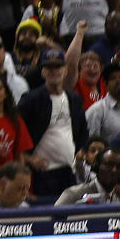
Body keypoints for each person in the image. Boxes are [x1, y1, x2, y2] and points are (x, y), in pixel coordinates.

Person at [19, 47, 87, 201]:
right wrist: (28, 159)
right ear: (42, 72)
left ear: (65, 70)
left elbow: (83, 130)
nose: (53, 71)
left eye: (57, 67)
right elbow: (16, 133)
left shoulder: (74, 98)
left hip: (70, 172)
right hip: (43, 175)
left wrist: (81, 150)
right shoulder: (31, 99)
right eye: (48, 67)